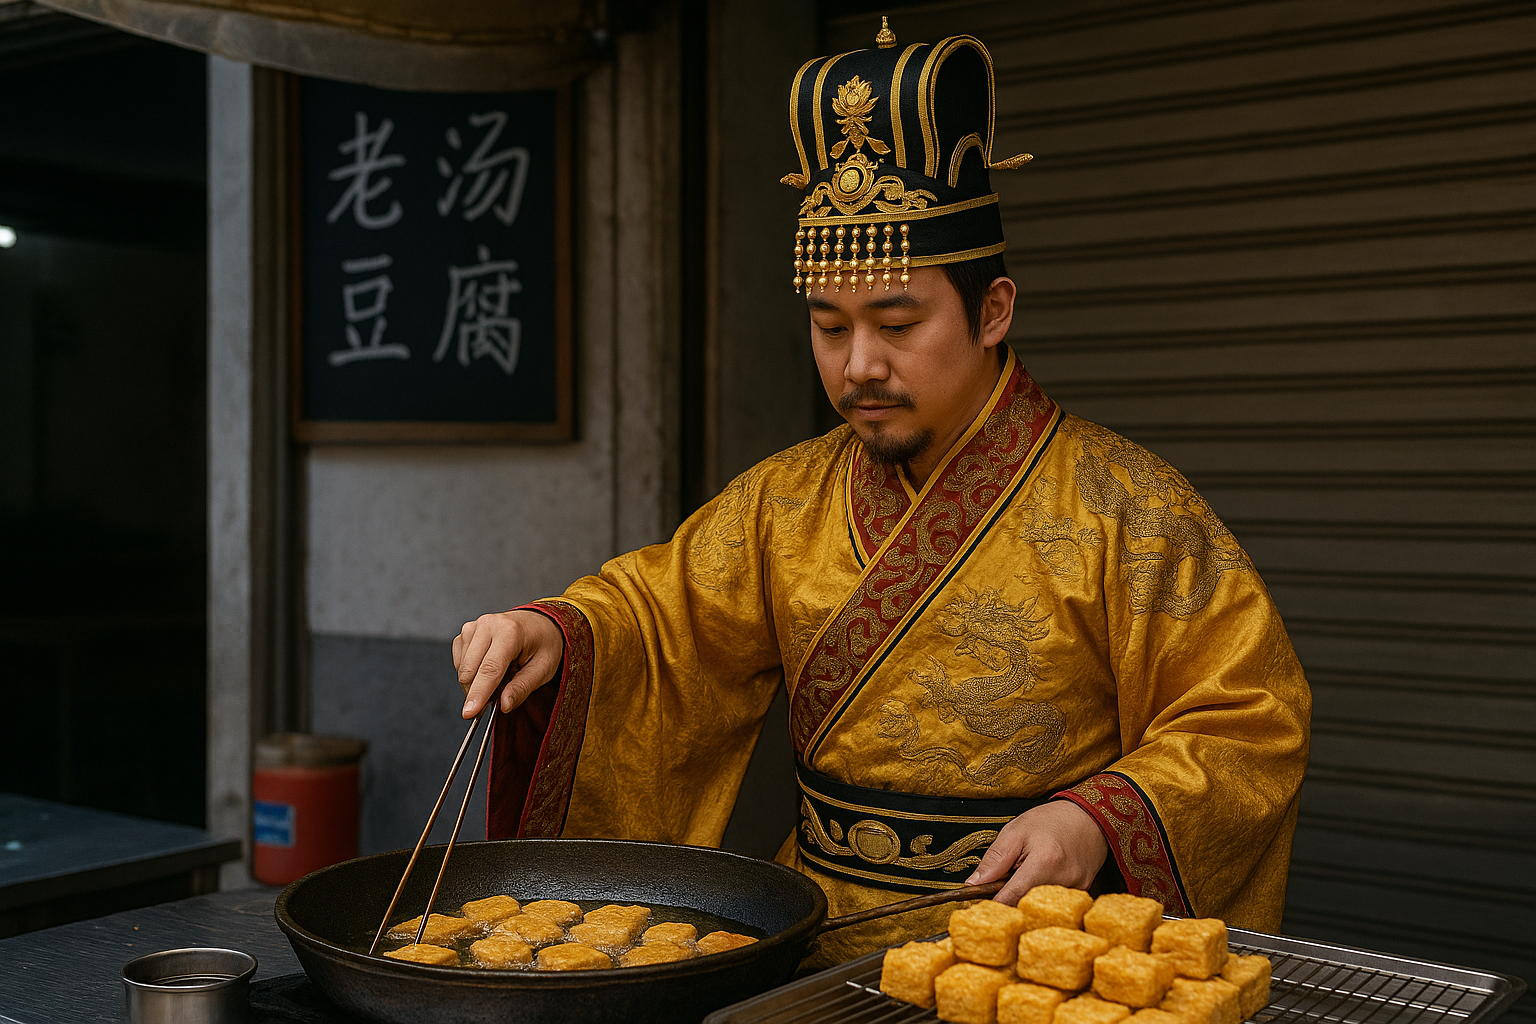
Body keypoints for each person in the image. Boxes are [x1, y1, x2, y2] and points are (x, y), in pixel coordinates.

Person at [454, 22, 1310, 966]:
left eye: (897, 323)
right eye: (829, 326)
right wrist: (557, 634)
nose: (859, 365)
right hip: (821, 939)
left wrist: (1096, 819)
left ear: (994, 311)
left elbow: (1248, 715)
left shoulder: (1128, 512)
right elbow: (662, 619)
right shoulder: (786, 502)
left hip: (1031, 946)